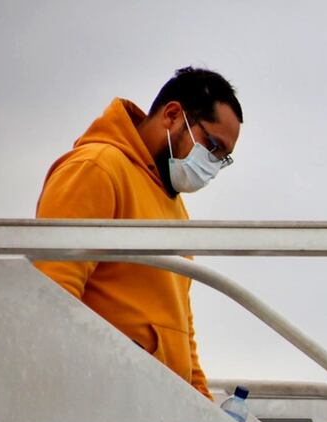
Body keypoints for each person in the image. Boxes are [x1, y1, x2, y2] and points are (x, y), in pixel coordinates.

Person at [34, 67, 243, 400]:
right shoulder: (97, 168)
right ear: (172, 115)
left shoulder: (175, 207)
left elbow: (182, 330)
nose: (213, 166)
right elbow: (51, 297)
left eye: (222, 158)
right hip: (100, 404)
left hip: (154, 411)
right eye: (212, 146)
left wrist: (202, 404)